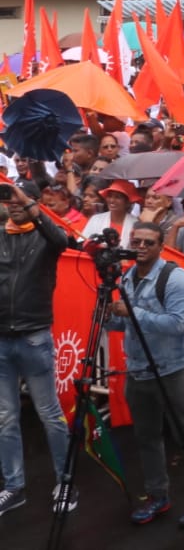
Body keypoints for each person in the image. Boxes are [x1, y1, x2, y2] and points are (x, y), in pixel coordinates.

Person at [110, 221, 184, 527]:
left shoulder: (174, 278)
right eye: (137, 242)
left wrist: (133, 312)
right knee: (146, 437)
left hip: (171, 370)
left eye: (148, 242)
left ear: (160, 246)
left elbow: (176, 324)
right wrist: (107, 316)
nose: (141, 247)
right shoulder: (127, 277)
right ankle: (158, 495)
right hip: (137, 370)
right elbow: (124, 325)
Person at [0, 180, 71, 517]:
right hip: (1, 339)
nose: (13, 204)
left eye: (20, 199)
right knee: (5, 418)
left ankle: (65, 482)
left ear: (33, 201)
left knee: (50, 415)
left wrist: (26, 202)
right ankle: (14, 487)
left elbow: (61, 240)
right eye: (8, 199)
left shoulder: (45, 238)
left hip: (34, 336)